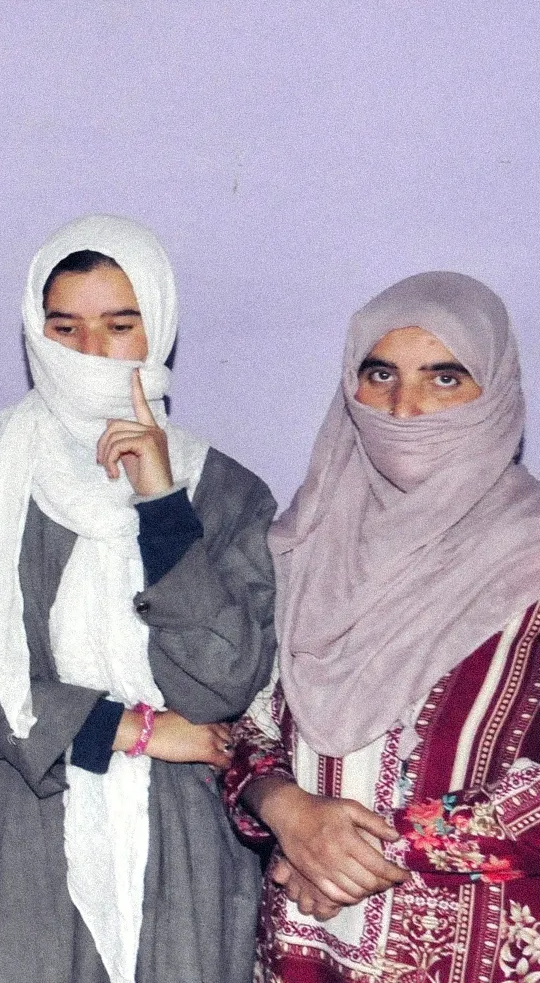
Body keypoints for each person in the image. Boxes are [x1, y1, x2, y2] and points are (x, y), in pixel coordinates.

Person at [0, 216, 275, 983]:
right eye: (64, 327)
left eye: (118, 326)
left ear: (159, 329)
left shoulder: (224, 490)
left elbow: (221, 682)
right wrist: (123, 728)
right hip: (11, 832)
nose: (88, 354)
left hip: (171, 852)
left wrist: (161, 504)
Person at [224, 271, 540, 981]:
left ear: (494, 390)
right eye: (380, 374)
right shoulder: (304, 542)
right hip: (306, 945)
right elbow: (244, 725)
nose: (405, 408)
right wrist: (285, 810)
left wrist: (352, 846)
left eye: (444, 379)